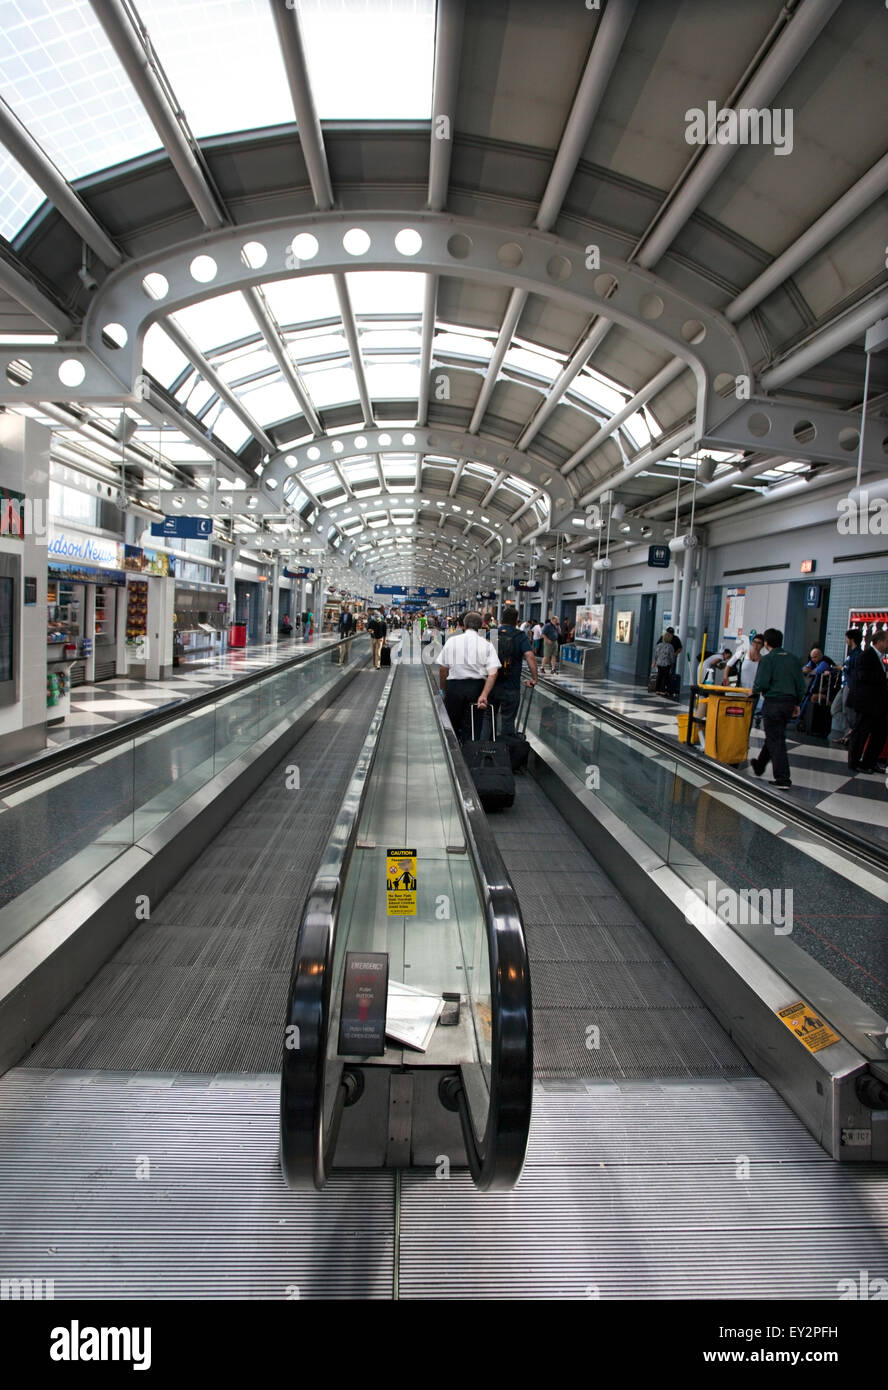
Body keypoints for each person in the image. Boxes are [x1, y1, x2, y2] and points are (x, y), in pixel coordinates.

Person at [750, 628, 806, 788]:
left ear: (766, 643)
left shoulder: (768, 660)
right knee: (775, 735)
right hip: (789, 703)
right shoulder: (794, 659)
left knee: (776, 739)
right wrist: (797, 703)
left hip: (774, 702)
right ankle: (759, 766)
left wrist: (753, 691)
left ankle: (783, 778)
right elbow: (800, 685)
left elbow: (762, 683)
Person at [435, 610, 501, 742]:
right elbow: (493, 673)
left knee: (451, 726)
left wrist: (443, 690)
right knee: (473, 728)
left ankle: (453, 754)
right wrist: (484, 695)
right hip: (476, 689)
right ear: (481, 625)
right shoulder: (487, 645)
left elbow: (443, 668)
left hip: (454, 688)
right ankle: (470, 755)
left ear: (463, 625)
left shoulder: (452, 641)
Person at [490, 605, 538, 736]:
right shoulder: (520, 636)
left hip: (491, 685)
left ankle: (486, 750)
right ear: (516, 620)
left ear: (501, 619)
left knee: (488, 719)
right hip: (511, 686)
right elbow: (530, 656)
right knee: (508, 721)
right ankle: (507, 750)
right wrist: (534, 678)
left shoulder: (492, 633)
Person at [845, 628, 888, 773]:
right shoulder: (866, 656)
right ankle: (854, 762)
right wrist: (884, 677)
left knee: (880, 734)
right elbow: (863, 676)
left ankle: (870, 761)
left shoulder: (881, 657)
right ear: (880, 642)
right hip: (866, 703)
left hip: (879, 704)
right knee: (861, 733)